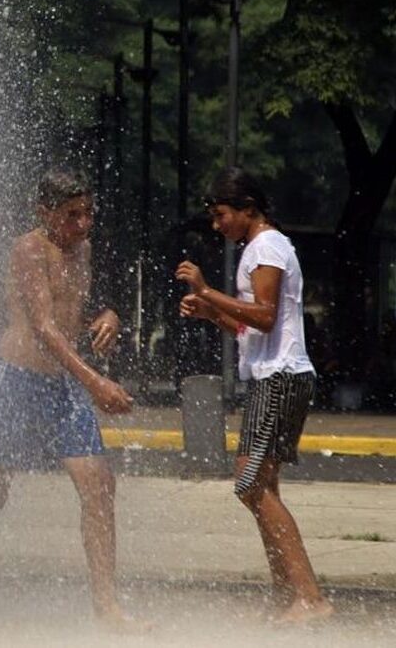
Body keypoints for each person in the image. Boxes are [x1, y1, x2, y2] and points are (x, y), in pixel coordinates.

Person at [0, 169, 145, 631]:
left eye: (88, 213)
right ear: (45, 212)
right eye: (72, 215)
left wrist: (107, 314)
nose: (83, 223)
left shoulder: (83, 249)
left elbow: (77, 307)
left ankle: (107, 605)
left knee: (99, 485)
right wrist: (97, 383)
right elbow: (46, 328)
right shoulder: (29, 249)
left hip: (64, 385)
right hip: (17, 381)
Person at [177, 166, 334, 624]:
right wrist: (211, 312)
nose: (216, 224)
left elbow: (264, 315)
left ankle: (309, 596)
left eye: (222, 214)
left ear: (248, 209)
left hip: (279, 378)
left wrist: (208, 290)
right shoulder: (259, 248)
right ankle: (287, 593)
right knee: (261, 486)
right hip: (275, 375)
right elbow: (250, 327)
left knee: (250, 484)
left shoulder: (267, 245)